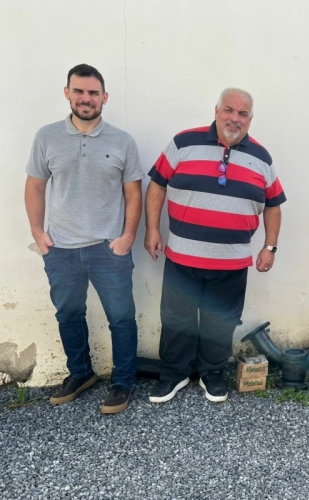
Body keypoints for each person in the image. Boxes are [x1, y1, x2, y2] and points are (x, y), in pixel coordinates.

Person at [145, 88, 286, 404]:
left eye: (243, 113)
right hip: (182, 257)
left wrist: (270, 246)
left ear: (250, 119)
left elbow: (274, 204)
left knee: (220, 322)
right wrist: (152, 229)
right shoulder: (183, 142)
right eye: (229, 110)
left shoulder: (262, 158)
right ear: (216, 111)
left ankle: (212, 375)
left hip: (232, 262)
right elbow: (157, 184)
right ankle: (174, 375)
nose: (235, 118)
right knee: (176, 320)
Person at [24, 64, 143, 414]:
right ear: (67, 93)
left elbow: (133, 193)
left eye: (93, 93)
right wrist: (38, 233)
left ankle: (123, 382)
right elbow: (35, 186)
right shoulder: (46, 137)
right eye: (79, 91)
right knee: (68, 314)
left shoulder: (123, 141)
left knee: (121, 318)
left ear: (104, 97)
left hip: (109, 249)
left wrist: (127, 237)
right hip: (61, 249)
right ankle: (80, 373)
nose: (86, 98)